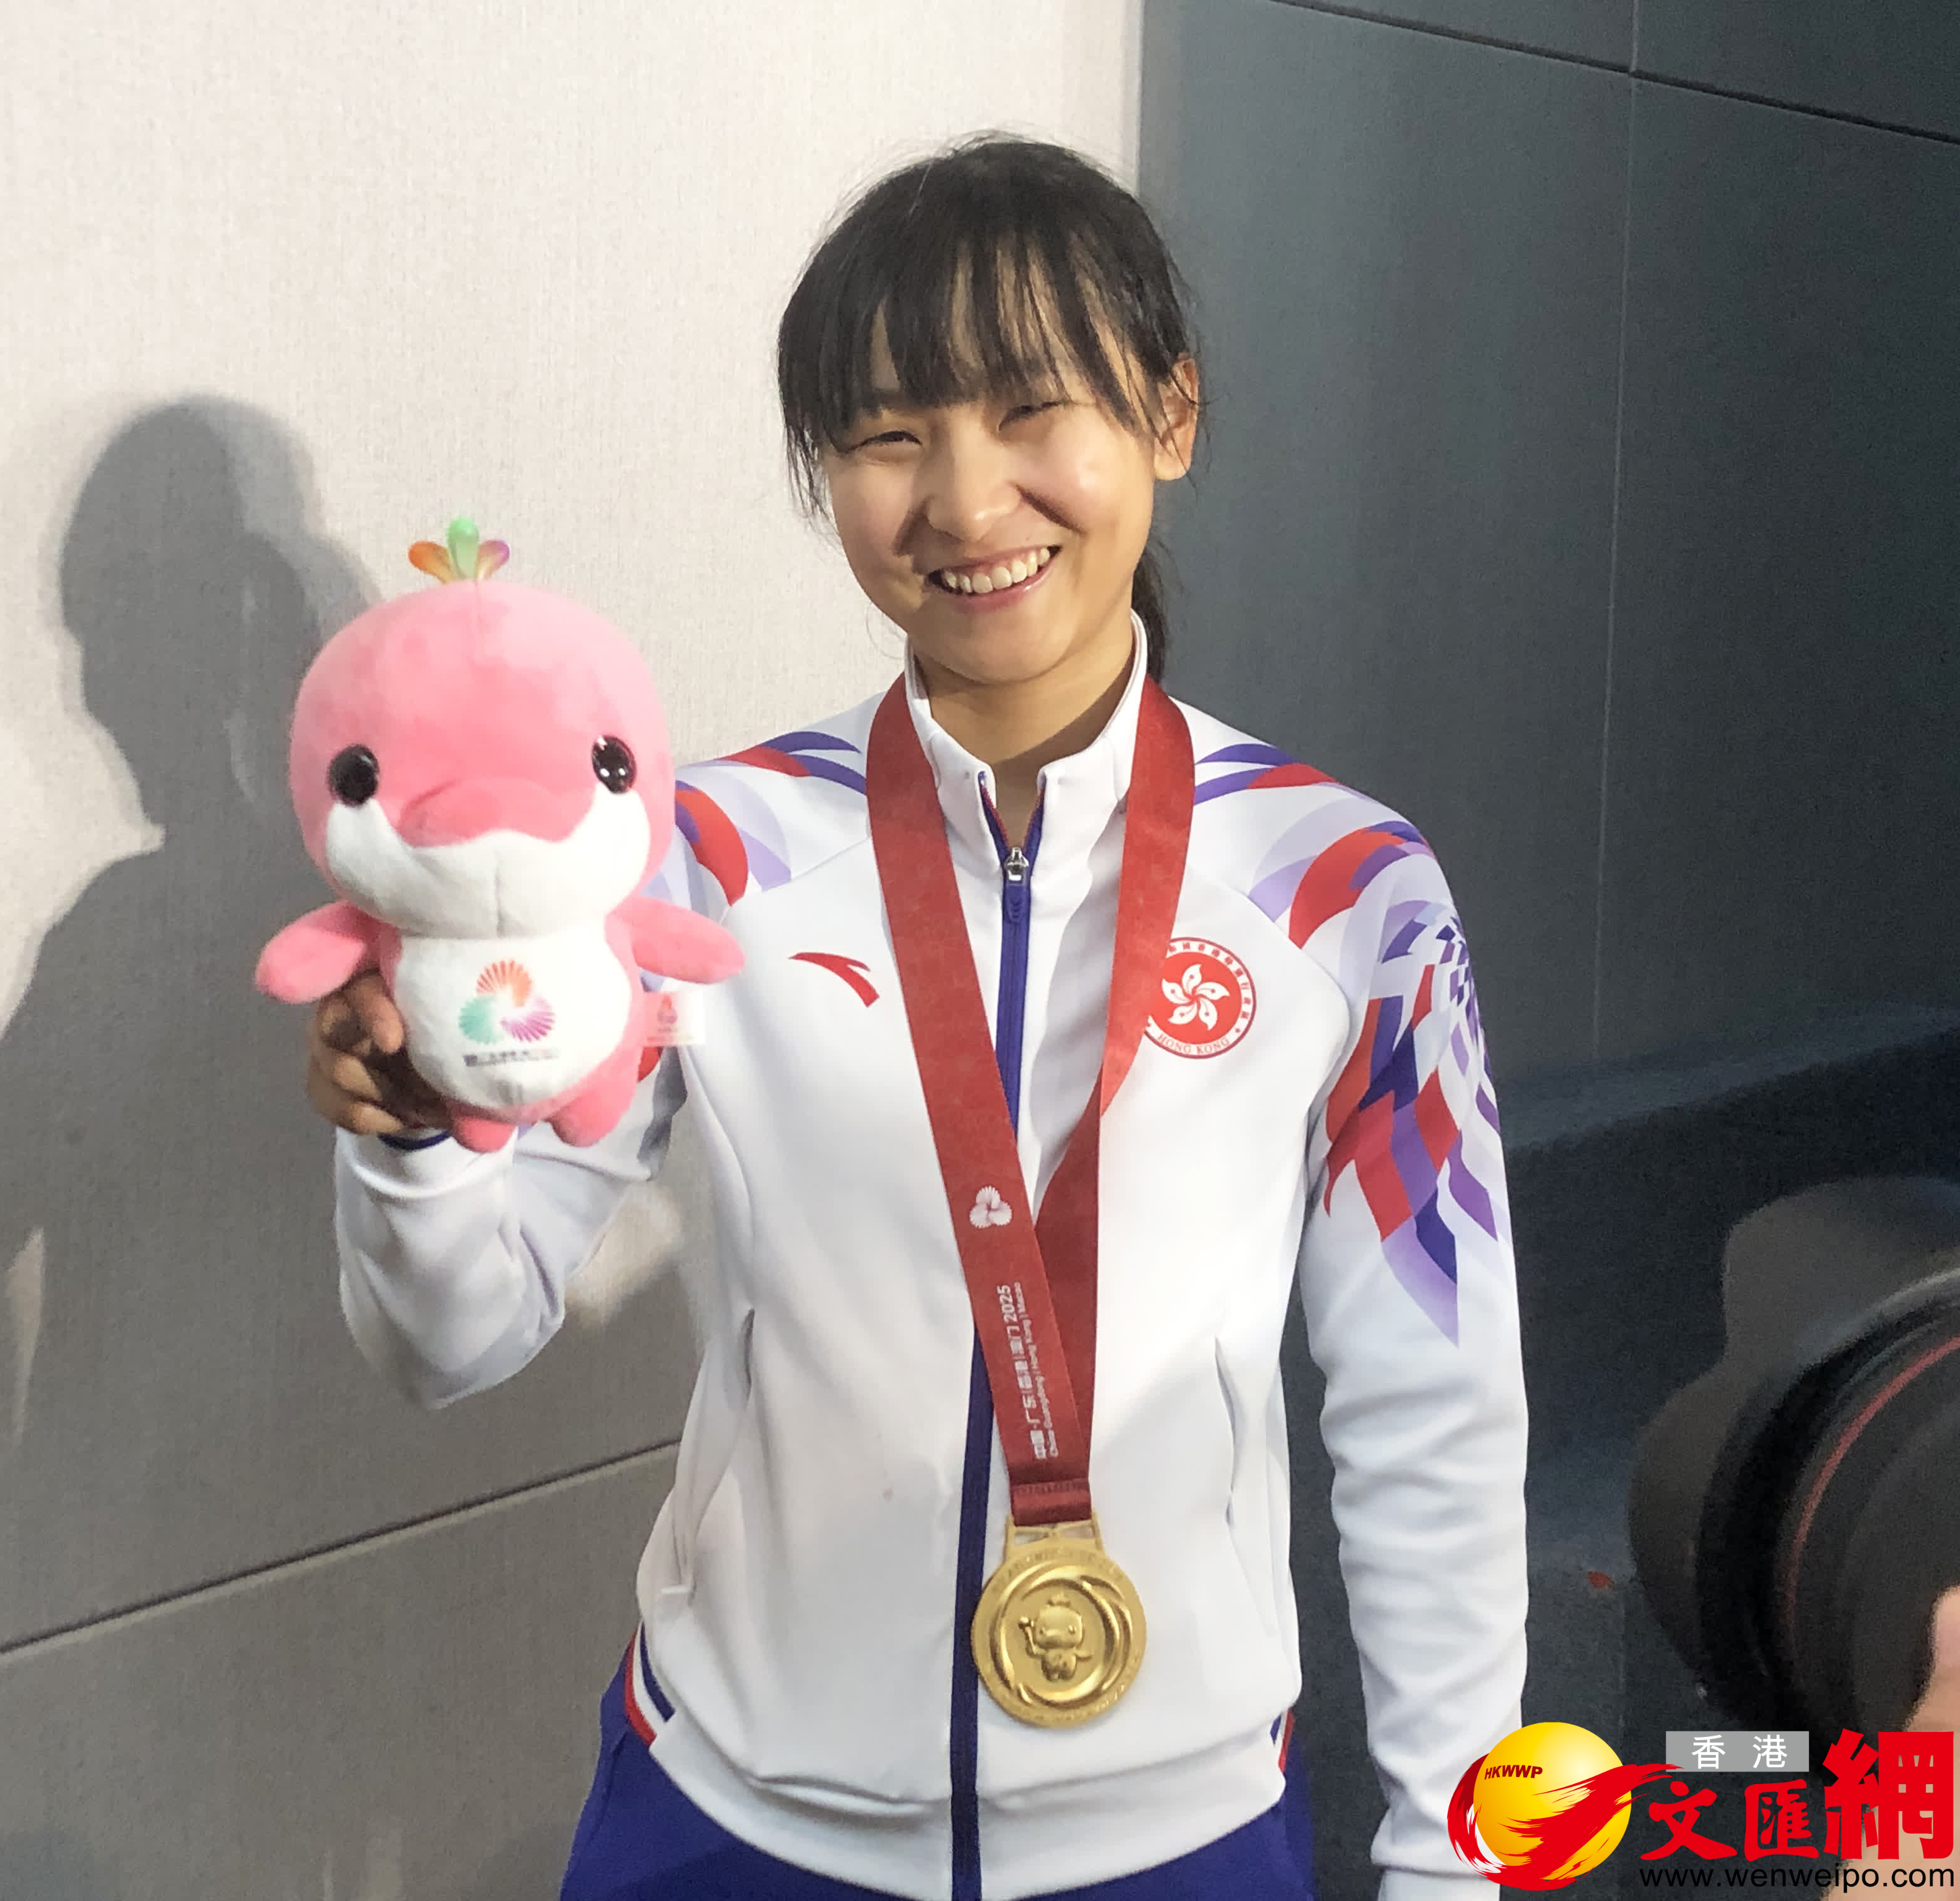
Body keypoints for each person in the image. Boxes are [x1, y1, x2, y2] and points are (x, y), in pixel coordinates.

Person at [304, 135, 1526, 1901]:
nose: (965, 500)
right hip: (732, 1821)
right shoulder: (703, 859)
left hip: (1172, 1838)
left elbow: (1435, 1419)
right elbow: (454, 1338)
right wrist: (420, 1144)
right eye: (889, 436)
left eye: (1033, 411)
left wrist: (1467, 1867)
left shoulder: (1345, 892)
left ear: (1170, 415)